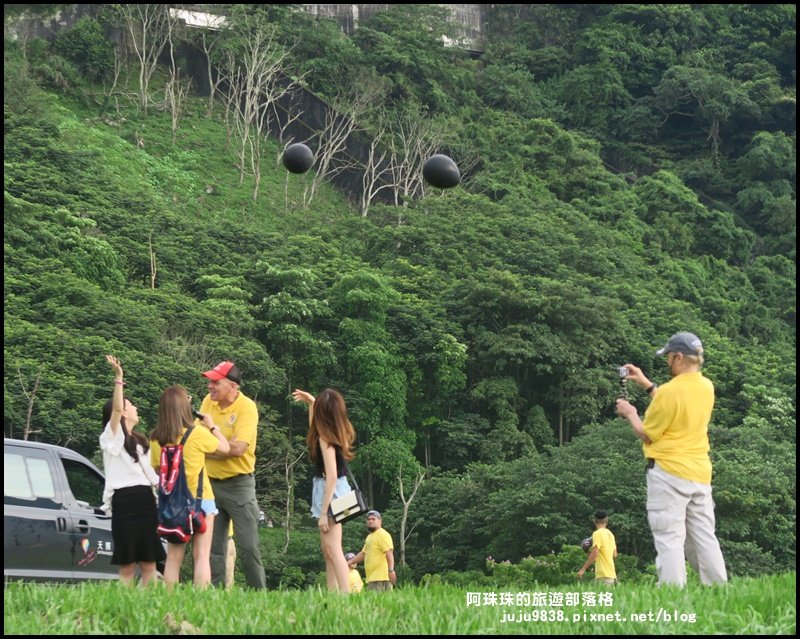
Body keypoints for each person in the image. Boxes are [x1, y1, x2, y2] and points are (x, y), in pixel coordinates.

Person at [616, 332, 728, 587]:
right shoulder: (706, 386)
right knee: (704, 536)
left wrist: (630, 412)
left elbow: (648, 434)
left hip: (668, 473)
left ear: (678, 357)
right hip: (699, 472)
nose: (667, 361)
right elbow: (676, 404)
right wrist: (646, 383)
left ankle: (673, 593)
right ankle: (719, 588)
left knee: (669, 537)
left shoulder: (669, 392)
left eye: (668, 356)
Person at [150, 385, 230, 588]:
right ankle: (200, 603)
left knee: (174, 558)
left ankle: (170, 602)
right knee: (201, 556)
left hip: (172, 506)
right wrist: (212, 426)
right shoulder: (197, 434)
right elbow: (225, 448)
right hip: (201, 502)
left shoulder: (156, 438)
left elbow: (158, 468)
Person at [199, 361, 266, 589]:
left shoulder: (246, 407)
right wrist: (223, 446)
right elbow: (201, 442)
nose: (210, 386)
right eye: (209, 381)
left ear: (232, 386)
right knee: (212, 549)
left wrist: (214, 445)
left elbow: (239, 450)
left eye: (215, 382)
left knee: (248, 547)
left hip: (239, 485)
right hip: (210, 484)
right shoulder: (208, 402)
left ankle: (259, 596)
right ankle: (214, 597)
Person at [99, 355, 165, 585]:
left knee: (149, 562)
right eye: (130, 405)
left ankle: (149, 606)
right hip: (125, 501)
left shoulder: (139, 441)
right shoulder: (111, 437)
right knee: (127, 564)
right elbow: (116, 409)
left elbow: (152, 477)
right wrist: (119, 379)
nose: (134, 407)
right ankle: (124, 607)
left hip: (146, 500)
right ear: (124, 413)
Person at [292, 387, 355, 592]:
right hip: (343, 492)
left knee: (333, 549)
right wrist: (311, 403)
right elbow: (314, 429)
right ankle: (332, 593)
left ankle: (345, 595)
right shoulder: (336, 432)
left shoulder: (325, 439)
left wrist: (323, 513)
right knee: (328, 549)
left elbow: (331, 476)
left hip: (332, 493)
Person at [347, 510, 396, 591]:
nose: (370, 521)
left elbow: (389, 553)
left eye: (373, 519)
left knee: (378, 603)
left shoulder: (382, 534)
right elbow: (363, 553)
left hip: (381, 578)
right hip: (372, 578)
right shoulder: (370, 536)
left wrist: (391, 570)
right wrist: (349, 562)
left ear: (380, 521)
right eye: (368, 519)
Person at [577, 510, 617, 585]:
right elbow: (614, 555)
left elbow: (595, 554)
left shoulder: (597, 534)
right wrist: (590, 553)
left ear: (594, 521)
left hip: (603, 575)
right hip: (612, 575)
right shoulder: (611, 534)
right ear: (606, 521)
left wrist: (583, 569)